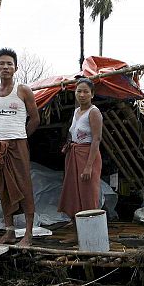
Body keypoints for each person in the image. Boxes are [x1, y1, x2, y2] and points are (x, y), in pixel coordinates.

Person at [0, 48, 40, 246]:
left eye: (9, 64)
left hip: (18, 145)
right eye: (2, 63)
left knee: (24, 186)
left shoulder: (23, 90)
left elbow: (35, 119)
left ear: (15, 68)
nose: (5, 67)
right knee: (4, 188)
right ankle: (9, 232)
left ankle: (29, 234)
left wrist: (21, 137)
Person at [58, 78, 103, 221]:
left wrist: (89, 167)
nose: (82, 94)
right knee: (73, 193)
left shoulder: (94, 112)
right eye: (79, 91)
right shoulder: (77, 111)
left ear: (92, 94)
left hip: (88, 155)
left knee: (88, 193)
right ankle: (76, 230)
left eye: (86, 91)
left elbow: (96, 139)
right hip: (74, 154)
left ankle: (91, 232)